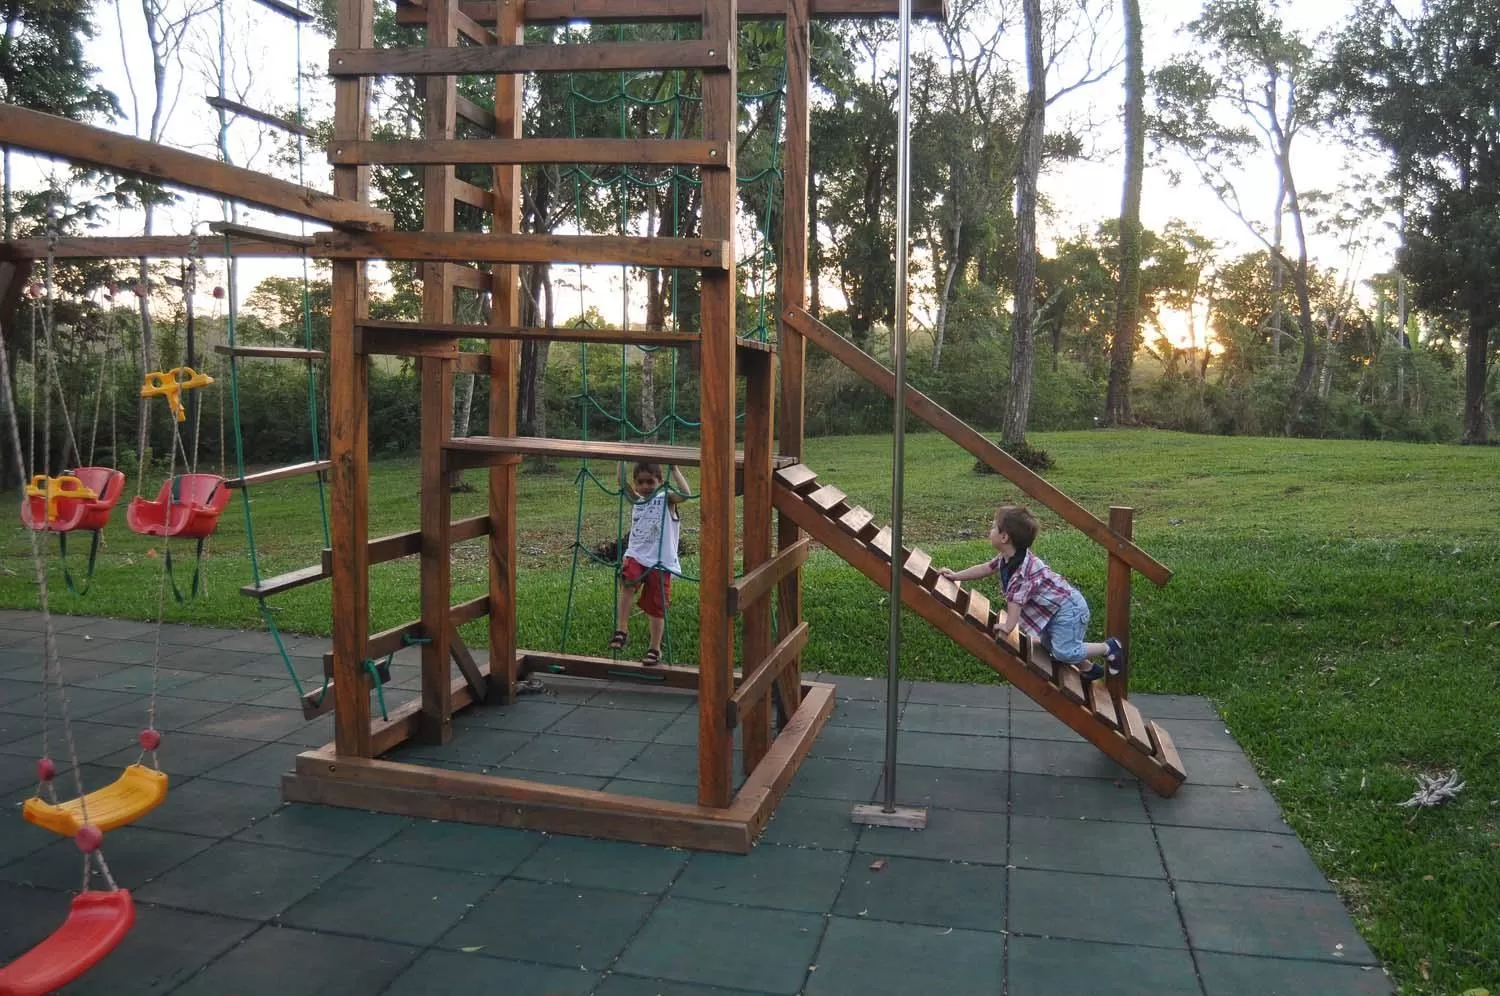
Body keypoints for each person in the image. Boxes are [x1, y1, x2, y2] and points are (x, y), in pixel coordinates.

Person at [938, 504, 1126, 681]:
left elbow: (1015, 602)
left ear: (1004, 538)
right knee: (1047, 646)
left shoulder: (1021, 572)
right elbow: (984, 568)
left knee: (1063, 652)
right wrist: (956, 576)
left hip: (1069, 609)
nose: (990, 530)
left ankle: (1109, 647)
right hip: (1055, 609)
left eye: (994, 527)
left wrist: (1008, 626)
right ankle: (1088, 669)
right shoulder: (1009, 557)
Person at [609, 461, 691, 665]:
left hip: (660, 561)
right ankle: (622, 629)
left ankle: (655, 649)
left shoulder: (667, 499)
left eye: (650, 482)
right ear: (636, 484)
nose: (645, 486)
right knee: (628, 580)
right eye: (640, 482)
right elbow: (621, 482)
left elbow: (685, 494)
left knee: (656, 606)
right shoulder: (637, 500)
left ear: (660, 482)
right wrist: (621, 459)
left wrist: (674, 470)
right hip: (637, 554)